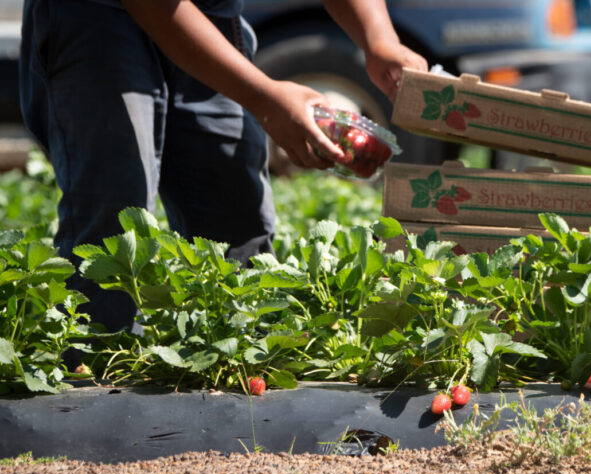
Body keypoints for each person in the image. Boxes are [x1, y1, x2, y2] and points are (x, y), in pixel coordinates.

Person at [18, 0, 427, 339]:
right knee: (115, 212)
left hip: (211, 15)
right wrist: (266, 98)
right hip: (97, 14)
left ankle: (238, 377)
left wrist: (378, 38)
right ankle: (92, 386)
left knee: (235, 214)